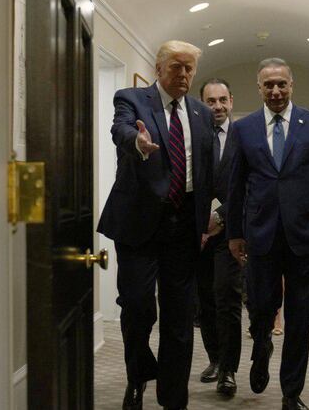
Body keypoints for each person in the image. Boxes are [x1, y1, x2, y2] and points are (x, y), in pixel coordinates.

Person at [97, 40, 215, 410]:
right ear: (159, 68)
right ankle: (138, 377)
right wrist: (137, 142)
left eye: (190, 69)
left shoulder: (200, 112)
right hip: (138, 224)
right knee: (137, 307)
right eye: (177, 67)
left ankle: (173, 398)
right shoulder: (131, 98)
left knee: (180, 317)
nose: (183, 75)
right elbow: (120, 130)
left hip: (183, 225)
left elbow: (208, 167)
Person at [227, 58, 309, 410]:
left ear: (291, 85)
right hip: (260, 233)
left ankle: (291, 392)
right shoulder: (243, 128)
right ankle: (261, 343)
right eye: (268, 85)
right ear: (258, 88)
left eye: (281, 84)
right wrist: (234, 232)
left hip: (305, 233)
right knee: (261, 306)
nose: (275, 91)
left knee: (300, 314)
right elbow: (235, 186)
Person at [196, 77, 243, 397]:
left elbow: (251, 183)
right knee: (203, 302)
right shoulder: (192, 135)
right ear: (202, 104)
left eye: (222, 100)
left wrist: (221, 216)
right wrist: (199, 222)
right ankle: (214, 359)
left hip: (231, 233)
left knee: (227, 298)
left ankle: (228, 369)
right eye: (210, 101)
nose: (217, 106)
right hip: (196, 235)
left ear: (231, 101)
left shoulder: (243, 136)